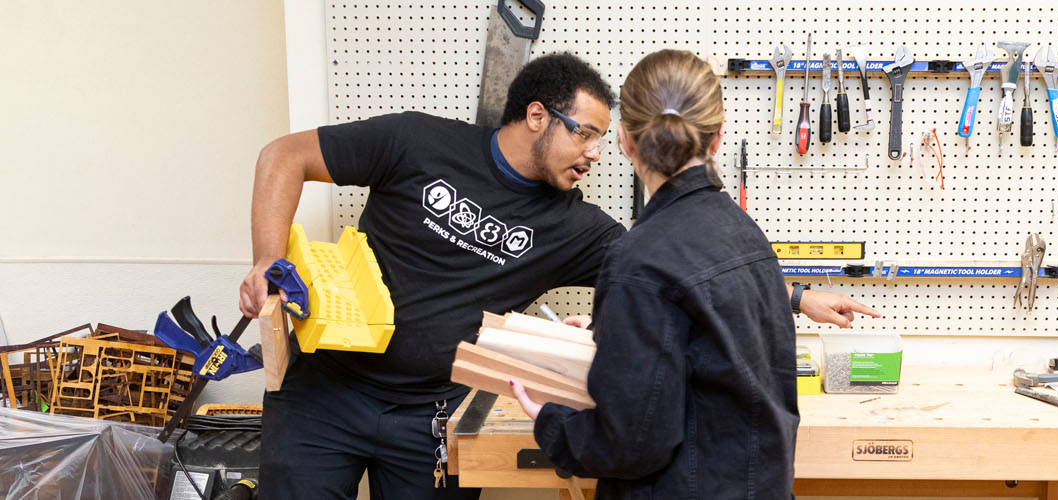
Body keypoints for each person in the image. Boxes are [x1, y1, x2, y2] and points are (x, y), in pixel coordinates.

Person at [241, 53, 880, 499]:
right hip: (322, 397)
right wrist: (268, 263)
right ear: (538, 116)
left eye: (605, 138)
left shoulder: (580, 229)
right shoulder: (416, 141)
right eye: (585, 134)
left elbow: (687, 268)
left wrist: (797, 296)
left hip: (434, 416)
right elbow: (283, 156)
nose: (596, 153)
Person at [510, 49, 798, 498]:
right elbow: (713, 351)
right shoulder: (747, 235)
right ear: (718, 137)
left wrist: (553, 422)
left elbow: (630, 445)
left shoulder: (639, 259)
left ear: (625, 140)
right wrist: (616, 331)